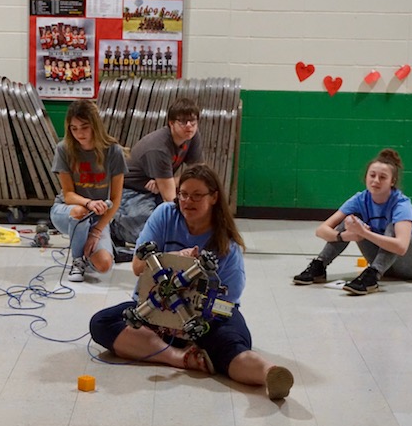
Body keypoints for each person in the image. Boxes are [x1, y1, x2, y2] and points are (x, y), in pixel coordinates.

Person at [91, 164, 294, 400]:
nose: (188, 201)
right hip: (156, 308)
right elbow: (138, 266)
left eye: (197, 195)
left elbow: (227, 301)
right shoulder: (165, 214)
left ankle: (269, 373)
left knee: (232, 346)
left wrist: (192, 317)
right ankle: (180, 358)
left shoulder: (226, 245)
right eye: (184, 194)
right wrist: (175, 259)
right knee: (102, 323)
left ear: (214, 197)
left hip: (203, 316)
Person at [293, 148, 412, 295]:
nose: (376, 180)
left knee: (392, 227)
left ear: (392, 182)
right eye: (372, 175)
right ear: (365, 177)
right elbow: (321, 230)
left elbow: (401, 247)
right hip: (386, 264)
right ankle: (319, 267)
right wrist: (344, 236)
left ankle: (372, 275)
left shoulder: (401, 204)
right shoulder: (359, 199)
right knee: (351, 220)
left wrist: (363, 233)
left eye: (382, 177)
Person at [50, 100, 129, 282]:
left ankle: (90, 247)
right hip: (68, 211)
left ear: (95, 126)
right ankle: (77, 261)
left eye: (84, 127)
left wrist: (97, 231)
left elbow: (116, 199)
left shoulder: (113, 151)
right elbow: (69, 195)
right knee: (80, 212)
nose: (79, 133)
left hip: (96, 217)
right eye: (74, 128)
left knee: (104, 265)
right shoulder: (64, 149)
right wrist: (89, 202)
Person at [111, 97, 204, 246]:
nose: (189, 126)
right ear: (171, 123)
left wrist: (168, 181)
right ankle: (114, 227)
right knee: (150, 236)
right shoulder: (159, 148)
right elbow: (170, 200)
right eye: (183, 122)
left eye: (193, 122)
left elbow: (200, 175)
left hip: (156, 188)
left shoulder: (192, 136)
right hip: (130, 190)